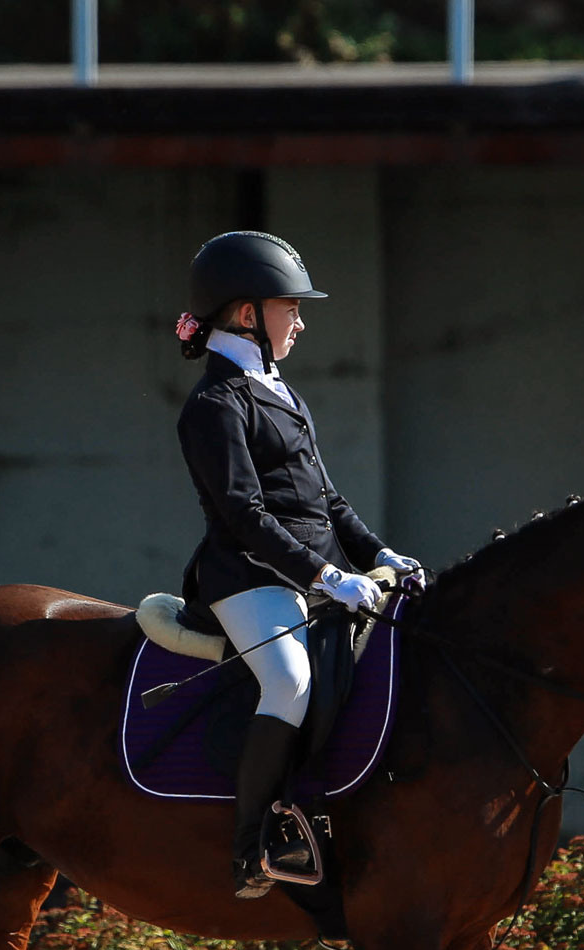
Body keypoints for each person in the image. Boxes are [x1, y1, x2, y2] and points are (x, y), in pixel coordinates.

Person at [172, 230, 421, 899]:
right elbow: (244, 516)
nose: (301, 322)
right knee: (289, 680)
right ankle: (253, 843)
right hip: (248, 576)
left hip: (315, 571)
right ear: (246, 313)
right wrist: (327, 577)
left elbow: (327, 500)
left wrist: (378, 554)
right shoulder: (214, 405)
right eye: (292, 308)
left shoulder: (280, 391)